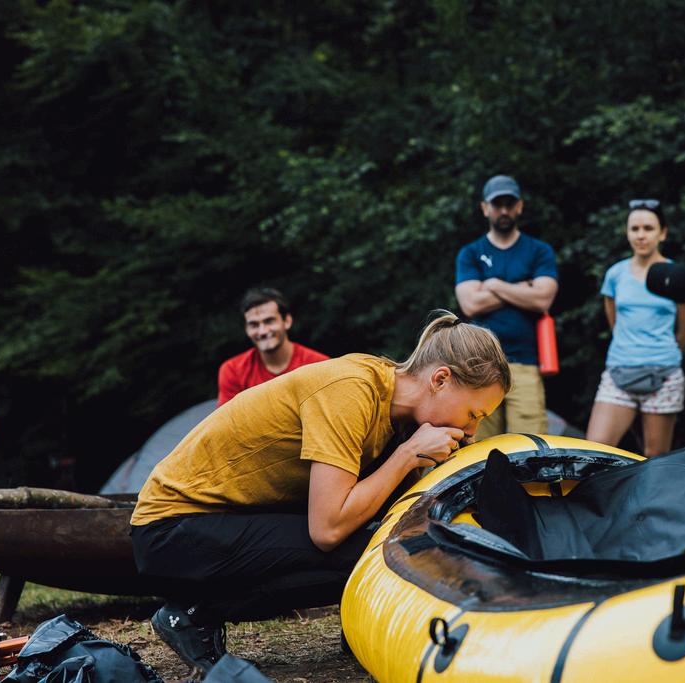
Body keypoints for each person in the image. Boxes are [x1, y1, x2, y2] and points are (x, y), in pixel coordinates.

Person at [130, 311, 509, 674]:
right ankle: (194, 615)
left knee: (386, 538)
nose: (471, 431)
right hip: (171, 530)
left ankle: (357, 626)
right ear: (440, 379)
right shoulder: (351, 390)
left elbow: (394, 514)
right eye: (473, 414)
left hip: (231, 518)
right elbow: (327, 529)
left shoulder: (396, 415)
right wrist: (406, 456)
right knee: (372, 552)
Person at [586, 200, 685, 454]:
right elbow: (614, 322)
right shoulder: (615, 274)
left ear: (662, 233)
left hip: (664, 374)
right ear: (627, 233)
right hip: (619, 371)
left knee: (655, 460)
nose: (641, 235)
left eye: (648, 228)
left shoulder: (678, 276)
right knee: (594, 452)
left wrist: (662, 353)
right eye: (635, 229)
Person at [455, 175, 558, 439]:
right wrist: (523, 287)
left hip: (525, 363)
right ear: (485, 208)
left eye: (509, 204)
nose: (503, 210)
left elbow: (543, 300)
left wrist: (493, 284)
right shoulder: (470, 253)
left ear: (519, 206)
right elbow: (470, 304)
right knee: (480, 448)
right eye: (497, 204)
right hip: (479, 365)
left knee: (530, 446)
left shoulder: (539, 251)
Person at [217, 287, 329, 406]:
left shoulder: (319, 365)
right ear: (246, 329)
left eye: (269, 321)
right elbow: (229, 418)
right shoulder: (233, 371)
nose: (262, 331)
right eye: (254, 324)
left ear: (287, 321)